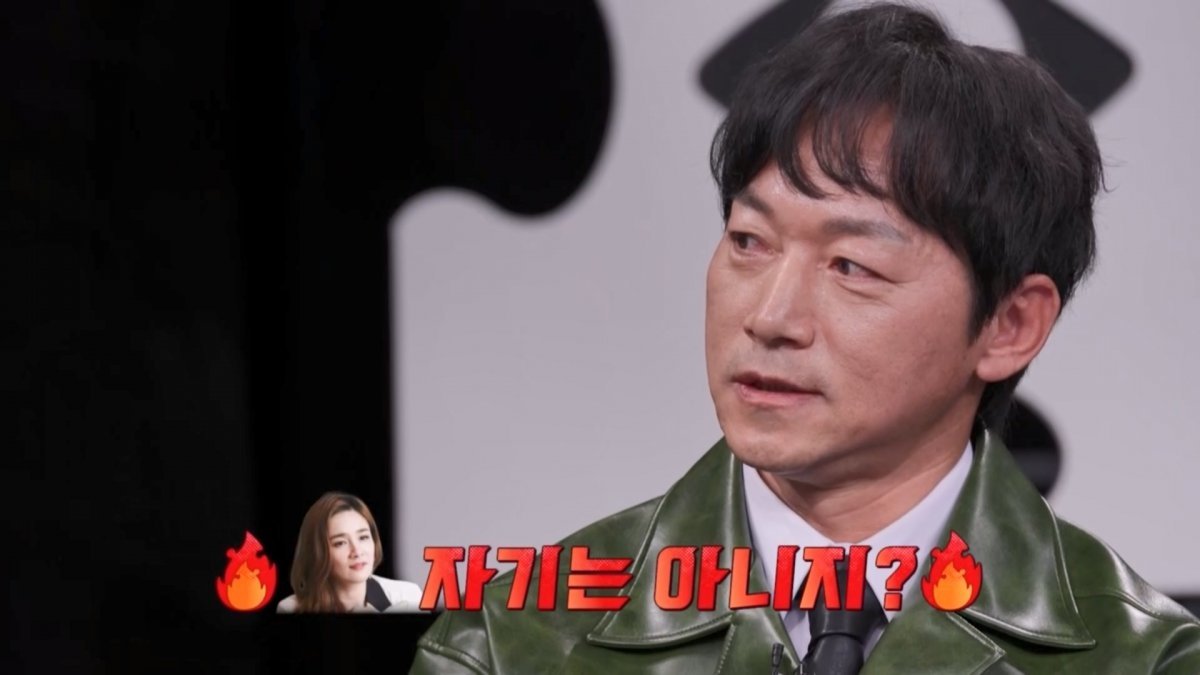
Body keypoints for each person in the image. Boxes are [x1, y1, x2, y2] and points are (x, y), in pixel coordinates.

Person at [410, 4, 1200, 672]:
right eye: (749, 241)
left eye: (852, 265)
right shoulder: (510, 644)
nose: (771, 316)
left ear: (1010, 324)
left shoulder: (1149, 658)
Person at [277, 491, 422, 613]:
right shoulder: (291, 608)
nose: (357, 552)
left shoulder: (408, 597)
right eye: (340, 543)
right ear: (318, 552)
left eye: (363, 537)